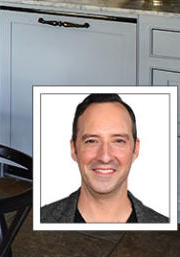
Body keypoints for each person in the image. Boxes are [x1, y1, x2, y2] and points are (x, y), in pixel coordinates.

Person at [41, 93, 168, 223]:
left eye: (118, 141)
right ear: (74, 149)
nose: (105, 157)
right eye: (91, 141)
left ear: (135, 149)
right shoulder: (44, 217)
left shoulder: (161, 223)